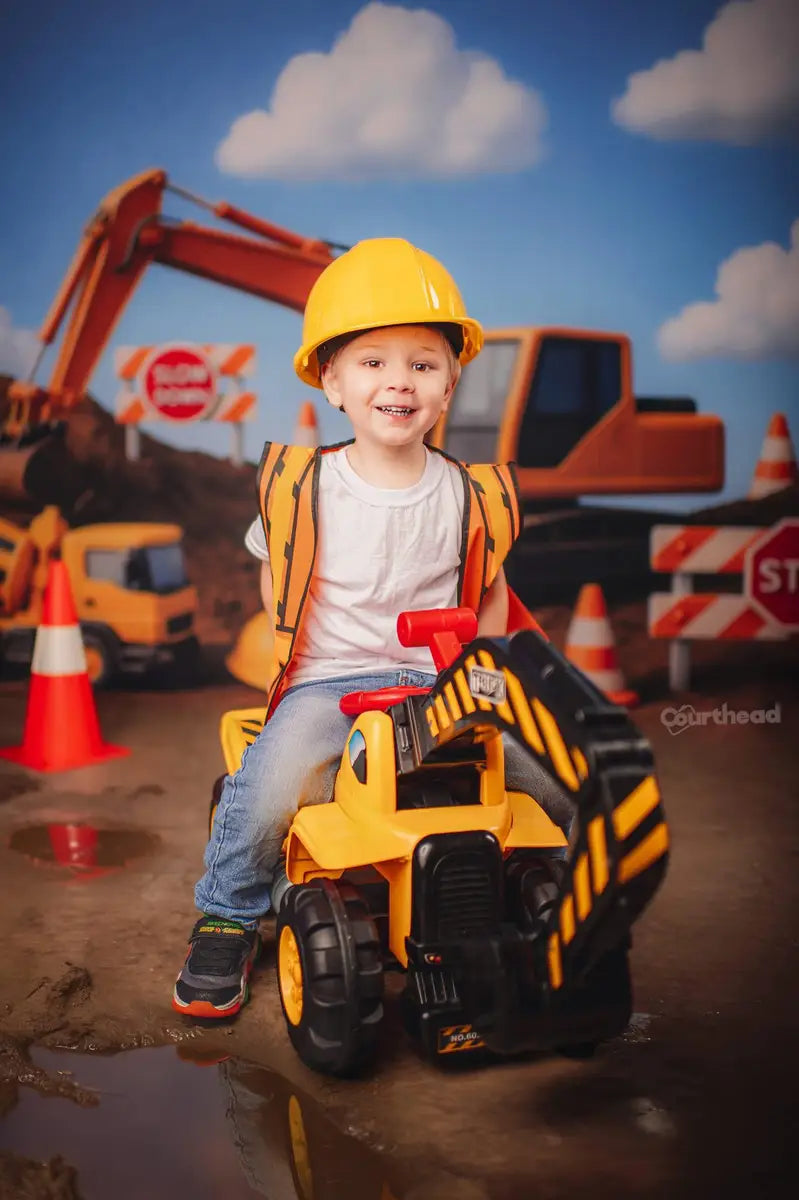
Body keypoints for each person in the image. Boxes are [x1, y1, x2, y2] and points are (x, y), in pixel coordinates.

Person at [172, 238, 575, 1019]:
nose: (398, 381)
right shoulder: (305, 485)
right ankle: (226, 911)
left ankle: (548, 901)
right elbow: (275, 576)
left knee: (549, 777)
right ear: (331, 381)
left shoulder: (472, 495)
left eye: (423, 364)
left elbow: (486, 595)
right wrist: (299, 653)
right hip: (332, 680)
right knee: (270, 786)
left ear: (450, 384)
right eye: (372, 363)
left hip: (437, 681)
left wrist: (481, 677)